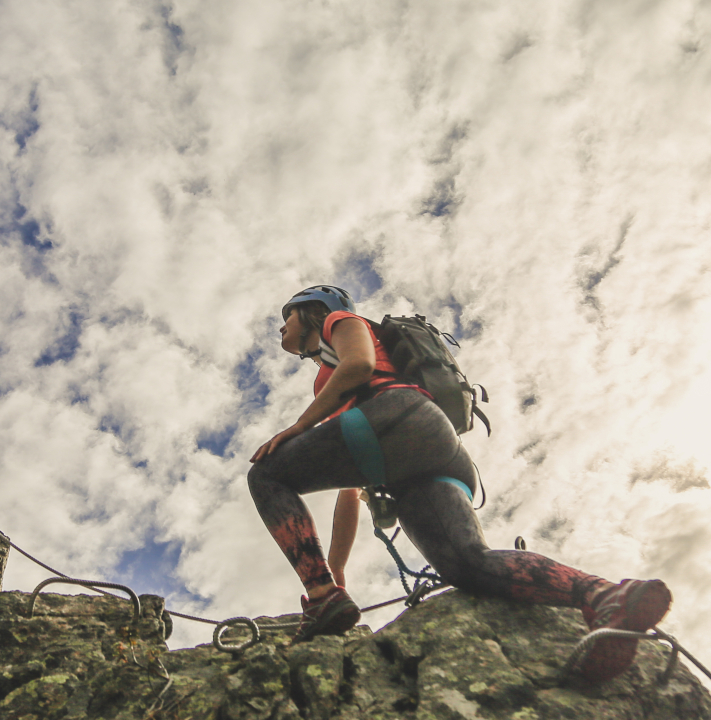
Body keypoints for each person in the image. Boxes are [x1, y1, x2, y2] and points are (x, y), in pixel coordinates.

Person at [248, 285, 671, 682]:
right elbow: (349, 491)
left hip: (397, 416)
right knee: (469, 564)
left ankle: (319, 594)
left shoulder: (337, 323)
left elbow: (359, 365)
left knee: (267, 473)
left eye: (287, 316)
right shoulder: (329, 373)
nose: (281, 326)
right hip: (432, 450)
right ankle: (603, 596)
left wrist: (299, 427)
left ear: (311, 308)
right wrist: (335, 571)